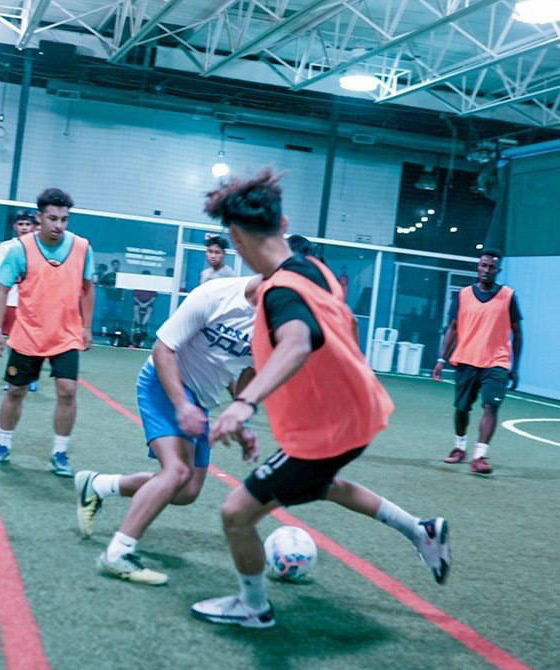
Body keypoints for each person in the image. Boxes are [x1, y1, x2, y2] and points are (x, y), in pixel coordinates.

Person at [190, 169, 451, 629]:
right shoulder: (316, 271)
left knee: (236, 513)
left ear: (235, 239)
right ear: (283, 223)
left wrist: (243, 404)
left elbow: (297, 341)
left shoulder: (280, 292)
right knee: (323, 486)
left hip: (325, 433)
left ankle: (253, 607)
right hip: (355, 416)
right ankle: (420, 529)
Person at [75, 275, 259, 586]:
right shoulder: (216, 295)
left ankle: (97, 485)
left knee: (187, 492)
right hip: (164, 383)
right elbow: (163, 351)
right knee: (176, 471)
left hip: (200, 399)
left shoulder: (274, 323)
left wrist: (240, 419)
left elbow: (248, 374)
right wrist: (182, 405)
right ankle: (118, 553)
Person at [0, 188, 95, 477]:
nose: (59, 225)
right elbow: (2, 289)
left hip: (66, 334)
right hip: (28, 333)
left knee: (68, 391)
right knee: (16, 391)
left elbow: (88, 288)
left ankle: (60, 453)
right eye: (52, 218)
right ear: (40, 217)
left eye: (64, 219)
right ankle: (3, 444)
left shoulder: (82, 247)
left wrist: (86, 327)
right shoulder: (19, 249)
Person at [432, 250, 523, 475]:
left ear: (498, 270)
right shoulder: (463, 295)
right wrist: (441, 359)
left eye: (492, 267)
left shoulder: (508, 296)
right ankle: (459, 448)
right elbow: (453, 328)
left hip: (497, 362)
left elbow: (518, 333)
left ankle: (480, 456)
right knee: (462, 408)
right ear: (478, 267)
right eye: (483, 265)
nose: (487, 270)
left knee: (491, 406)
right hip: (466, 359)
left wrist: (514, 367)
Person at [0, 211, 39, 392]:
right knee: (12, 341)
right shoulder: (6, 247)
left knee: (32, 341)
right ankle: (16, 377)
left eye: (28, 224)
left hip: (33, 303)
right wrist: (0, 296)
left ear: (34, 226)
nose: (24, 228)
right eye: (21, 224)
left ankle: (32, 376)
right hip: (11, 301)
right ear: (15, 227)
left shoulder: (40, 247)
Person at [132, 271, 157, 346]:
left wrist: (146, 304)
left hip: (148, 303)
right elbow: (134, 297)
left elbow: (154, 297)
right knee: (136, 309)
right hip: (138, 302)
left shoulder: (152, 286)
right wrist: (140, 303)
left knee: (149, 311)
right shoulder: (138, 285)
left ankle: (143, 324)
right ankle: (138, 324)